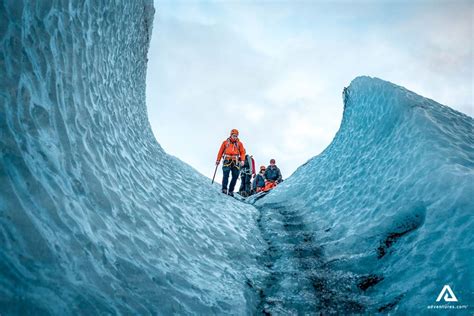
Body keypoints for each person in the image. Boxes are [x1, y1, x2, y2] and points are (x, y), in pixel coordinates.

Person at [216, 129, 246, 196]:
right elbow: (220, 152)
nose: (235, 137)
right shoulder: (225, 143)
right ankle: (224, 189)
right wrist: (218, 160)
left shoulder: (240, 144)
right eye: (234, 135)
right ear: (231, 135)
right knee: (226, 175)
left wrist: (243, 160)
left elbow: (242, 152)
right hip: (227, 160)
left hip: (236, 161)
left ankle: (231, 191)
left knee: (235, 176)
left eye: (236, 136)